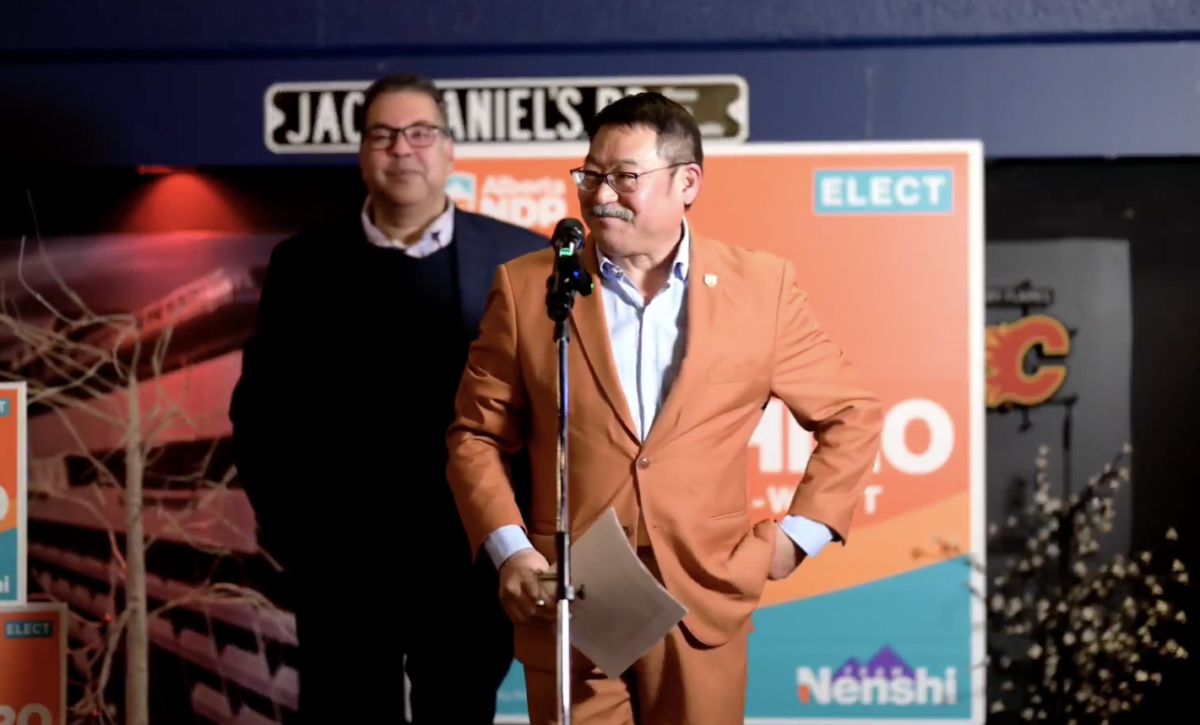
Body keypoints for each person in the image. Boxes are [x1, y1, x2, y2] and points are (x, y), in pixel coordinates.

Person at [444, 91, 884, 724]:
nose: (600, 194)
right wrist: (511, 551)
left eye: (625, 177)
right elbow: (474, 437)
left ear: (687, 183)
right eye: (591, 175)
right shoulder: (527, 289)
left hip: (704, 601)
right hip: (571, 604)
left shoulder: (762, 288)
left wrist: (797, 538)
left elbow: (853, 413)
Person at [229, 73, 547, 724]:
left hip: (468, 559)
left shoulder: (518, 260)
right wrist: (294, 536)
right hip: (342, 565)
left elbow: (549, 418)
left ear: (451, 151)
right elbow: (260, 414)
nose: (403, 148)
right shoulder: (303, 266)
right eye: (384, 134)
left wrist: (520, 540)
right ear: (362, 153)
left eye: (421, 133)